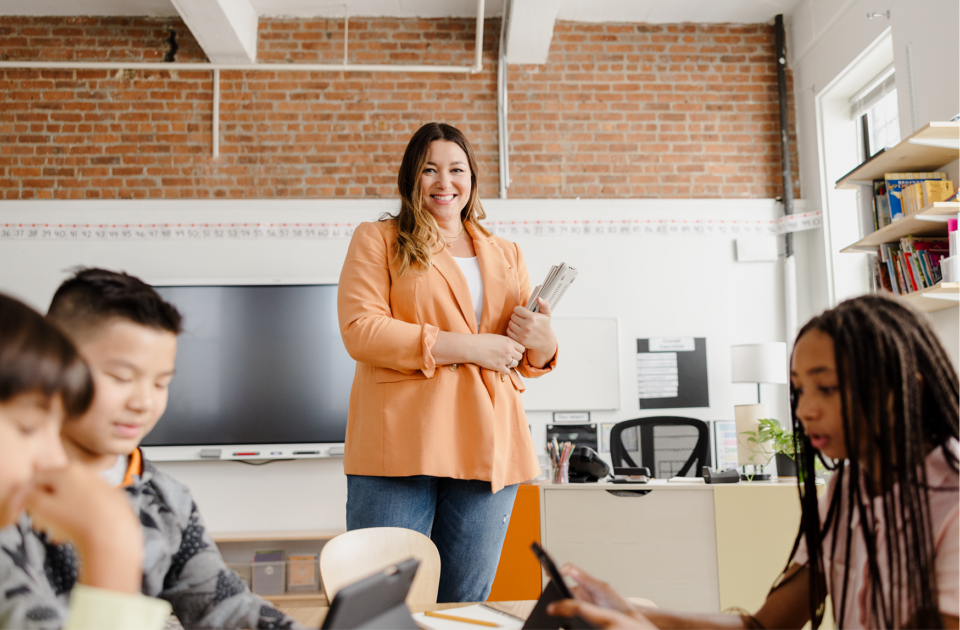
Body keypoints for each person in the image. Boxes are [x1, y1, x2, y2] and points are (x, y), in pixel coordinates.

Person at [547, 294, 960, 630]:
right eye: (799, 391)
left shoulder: (952, 501)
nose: (805, 410)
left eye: (828, 388)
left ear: (902, 389)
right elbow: (764, 627)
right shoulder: (847, 489)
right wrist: (631, 613)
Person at [338, 122, 558, 603]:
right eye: (429, 170)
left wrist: (543, 339)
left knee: (465, 607)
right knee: (383, 609)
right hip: (400, 445)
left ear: (472, 179)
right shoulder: (379, 239)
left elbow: (520, 357)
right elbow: (361, 329)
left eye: (456, 169)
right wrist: (470, 346)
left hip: (489, 445)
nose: (444, 182)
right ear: (410, 178)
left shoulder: (505, 252)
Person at [41, 268, 305, 630]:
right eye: (120, 378)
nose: (144, 402)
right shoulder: (15, 490)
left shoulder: (167, 498)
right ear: (52, 363)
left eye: (161, 383)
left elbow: (222, 602)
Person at [0, 293, 171, 630]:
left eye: (162, 382)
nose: (54, 458)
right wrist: (112, 549)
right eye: (28, 427)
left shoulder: (166, 495)